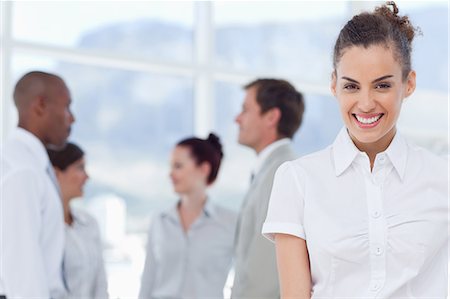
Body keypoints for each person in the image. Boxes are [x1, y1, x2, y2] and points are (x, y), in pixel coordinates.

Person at [262, 2, 448, 298]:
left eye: (382, 86)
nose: (365, 103)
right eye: (351, 86)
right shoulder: (297, 180)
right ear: (334, 85)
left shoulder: (443, 178)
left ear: (408, 83)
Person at [1, 71, 75, 298]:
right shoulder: (21, 169)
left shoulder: (31, 163)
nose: (72, 118)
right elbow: (23, 270)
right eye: (67, 107)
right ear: (41, 105)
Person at [139, 133, 237, 299]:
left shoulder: (230, 223)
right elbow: (148, 280)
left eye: (178, 166)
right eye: (170, 167)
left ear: (204, 169)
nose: (170, 174)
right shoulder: (159, 221)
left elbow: (245, 279)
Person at [232, 79, 305, 298]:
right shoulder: (271, 170)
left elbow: (264, 272)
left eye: (245, 110)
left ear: (271, 117)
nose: (237, 118)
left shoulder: (280, 173)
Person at [47, 142, 109, 299]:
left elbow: (100, 286)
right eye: (80, 168)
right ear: (56, 173)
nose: (87, 177)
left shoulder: (89, 224)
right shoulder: (41, 227)